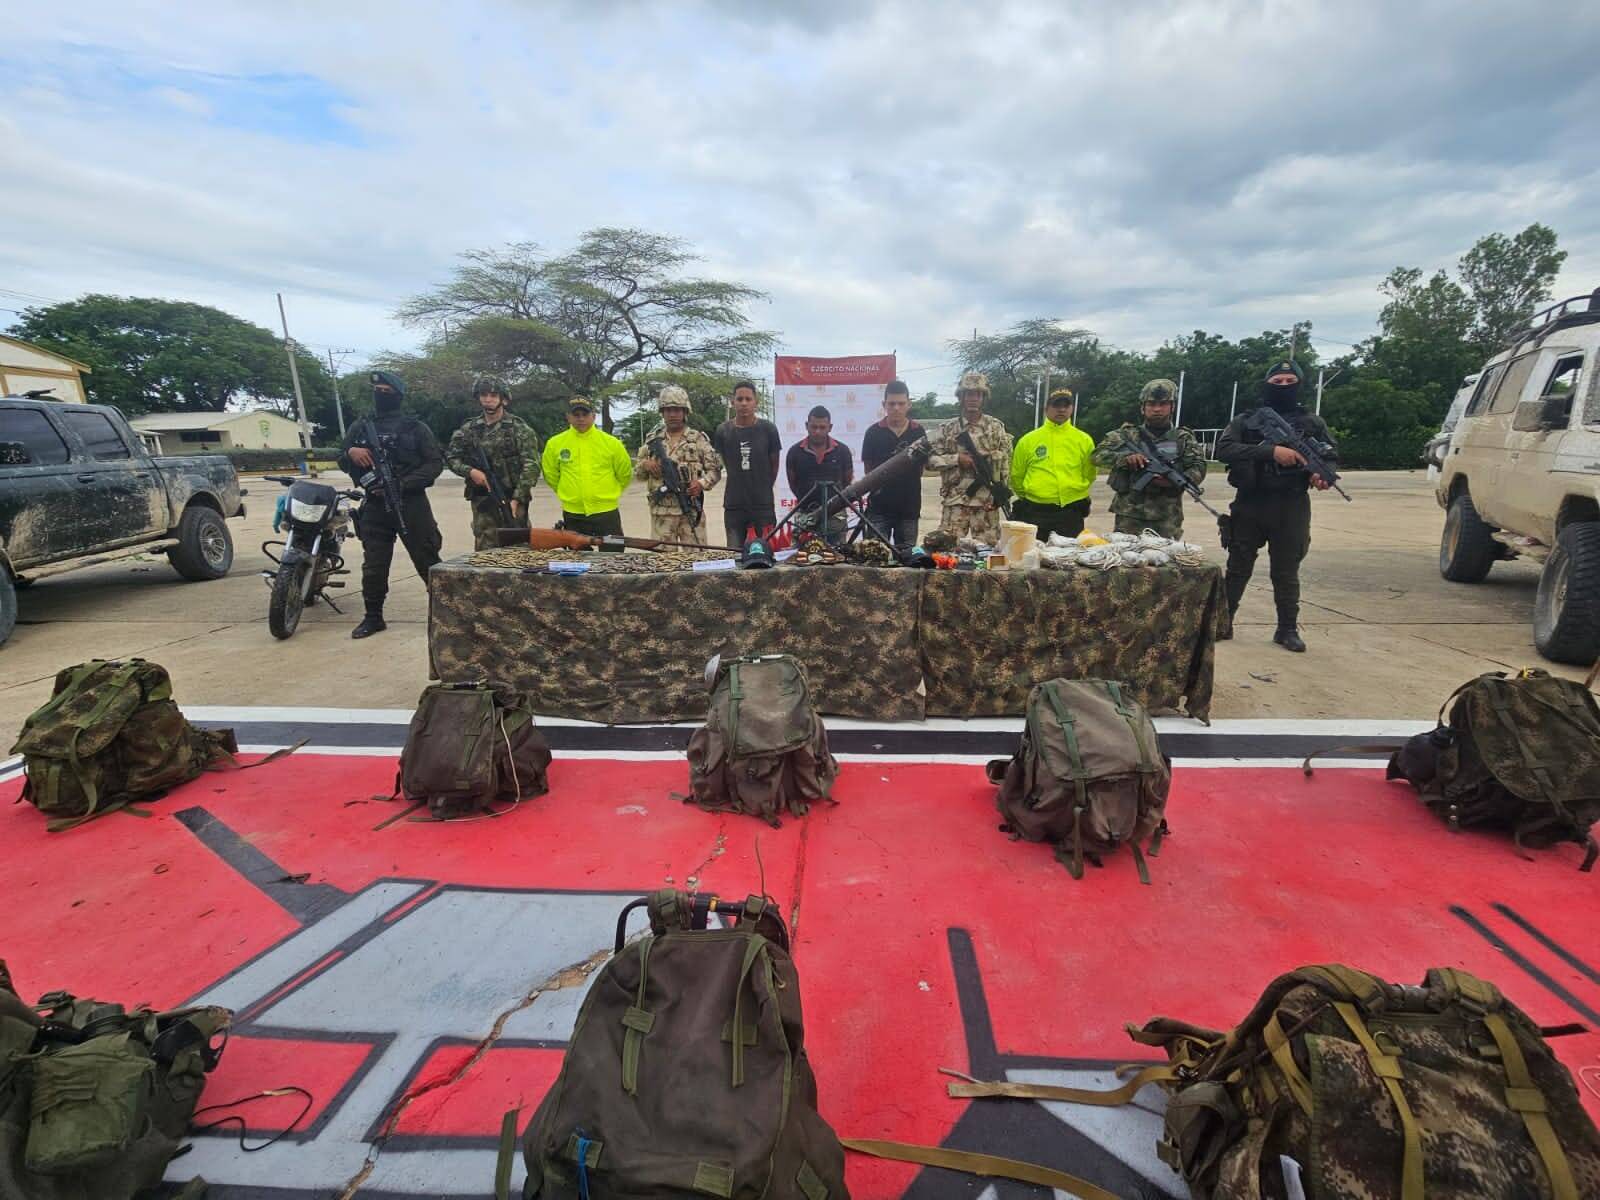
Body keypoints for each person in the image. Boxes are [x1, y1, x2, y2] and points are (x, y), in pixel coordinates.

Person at [1215, 361, 1339, 653]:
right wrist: (1271, 451)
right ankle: (1223, 621)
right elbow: (1224, 449)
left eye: (1289, 381)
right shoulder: (1247, 420)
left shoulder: (1312, 422)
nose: (1283, 386)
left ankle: (1287, 629)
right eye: (1278, 381)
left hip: (1291, 504)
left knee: (1286, 570)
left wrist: (1321, 473)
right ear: (1267, 384)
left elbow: (1329, 454)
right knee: (1238, 566)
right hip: (1251, 502)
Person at [338, 370, 444, 639]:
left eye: (386, 392)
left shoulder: (416, 428)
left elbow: (433, 464)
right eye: (378, 391)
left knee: (427, 559)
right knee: (374, 564)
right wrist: (351, 452)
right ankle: (373, 617)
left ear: (398, 396)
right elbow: (342, 457)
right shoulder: (361, 427)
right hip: (374, 504)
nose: (381, 395)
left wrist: (402, 484)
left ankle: (446, 614)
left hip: (411, 504)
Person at [1094, 378, 1207, 539]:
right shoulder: (1126, 434)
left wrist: (1175, 480)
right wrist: (1126, 458)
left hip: (1167, 516)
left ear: (1172, 407)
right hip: (1129, 514)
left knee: (1165, 561)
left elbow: (1198, 466)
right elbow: (1097, 456)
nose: (1157, 409)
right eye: (1151, 404)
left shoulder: (1183, 438)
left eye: (1163, 404)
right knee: (1128, 560)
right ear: (1143, 408)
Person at [445, 375, 542, 551]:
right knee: (486, 547)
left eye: (493, 395)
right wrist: (471, 472)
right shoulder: (469, 429)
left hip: (513, 498)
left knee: (518, 546)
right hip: (482, 498)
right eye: (483, 395)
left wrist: (517, 498)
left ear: (503, 399)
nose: (488, 400)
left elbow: (532, 465)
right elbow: (452, 458)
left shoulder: (519, 429)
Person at [926, 370, 1014, 544]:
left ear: (983, 398)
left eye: (978, 394)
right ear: (961, 397)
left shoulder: (996, 427)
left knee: (987, 555)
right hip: (955, 502)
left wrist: (1001, 496)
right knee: (946, 552)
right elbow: (929, 461)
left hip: (986, 505)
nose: (973, 398)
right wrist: (956, 459)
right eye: (968, 394)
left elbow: (1005, 465)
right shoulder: (947, 428)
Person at [633, 385, 722, 543]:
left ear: (685, 412)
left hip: (691, 512)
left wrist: (701, 484)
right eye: (668, 410)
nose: (672, 414)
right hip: (662, 515)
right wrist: (645, 465)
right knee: (663, 562)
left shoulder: (698, 439)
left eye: (677, 410)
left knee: (697, 560)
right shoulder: (653, 440)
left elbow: (715, 471)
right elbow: (638, 475)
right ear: (662, 412)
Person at [540, 396, 634, 543]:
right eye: (576, 415)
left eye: (585, 415)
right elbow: (550, 474)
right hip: (573, 514)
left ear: (594, 416)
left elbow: (625, 474)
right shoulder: (555, 444)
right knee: (577, 561)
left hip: (607, 513)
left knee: (614, 555)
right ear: (568, 417)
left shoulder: (612, 443)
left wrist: (608, 494)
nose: (581, 419)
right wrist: (568, 493)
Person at [1009, 388, 1097, 540]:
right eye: (1056, 405)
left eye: (1066, 405)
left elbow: (1090, 473)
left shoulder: (1084, 440)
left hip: (1071, 512)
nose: (1061, 409)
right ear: (1046, 409)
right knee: (1033, 558)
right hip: (1036, 512)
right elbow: (1017, 476)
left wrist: (1074, 491)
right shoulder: (1028, 440)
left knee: (1069, 560)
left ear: (1072, 408)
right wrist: (1032, 494)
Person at [712, 379, 782, 548]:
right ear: (732, 402)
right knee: (734, 555)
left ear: (755, 402)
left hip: (763, 506)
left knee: (764, 554)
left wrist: (761, 486)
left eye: (748, 399)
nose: (744, 403)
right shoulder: (723, 431)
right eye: (739, 399)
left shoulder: (768, 429)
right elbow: (724, 463)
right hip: (734, 506)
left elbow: (774, 466)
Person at [860, 379, 926, 548]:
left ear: (908, 404)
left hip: (909, 509)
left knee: (908, 562)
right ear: (884, 404)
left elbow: (921, 468)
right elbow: (869, 471)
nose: (896, 408)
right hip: (878, 509)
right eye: (892, 403)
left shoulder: (918, 431)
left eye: (901, 403)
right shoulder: (873, 433)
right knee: (874, 560)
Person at [784, 405, 854, 543]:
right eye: (813, 427)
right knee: (802, 559)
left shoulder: (843, 451)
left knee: (838, 558)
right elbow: (793, 483)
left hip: (835, 516)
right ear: (806, 426)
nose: (817, 431)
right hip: (805, 515)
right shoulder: (794, 452)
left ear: (830, 427)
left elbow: (847, 481)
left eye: (822, 427)